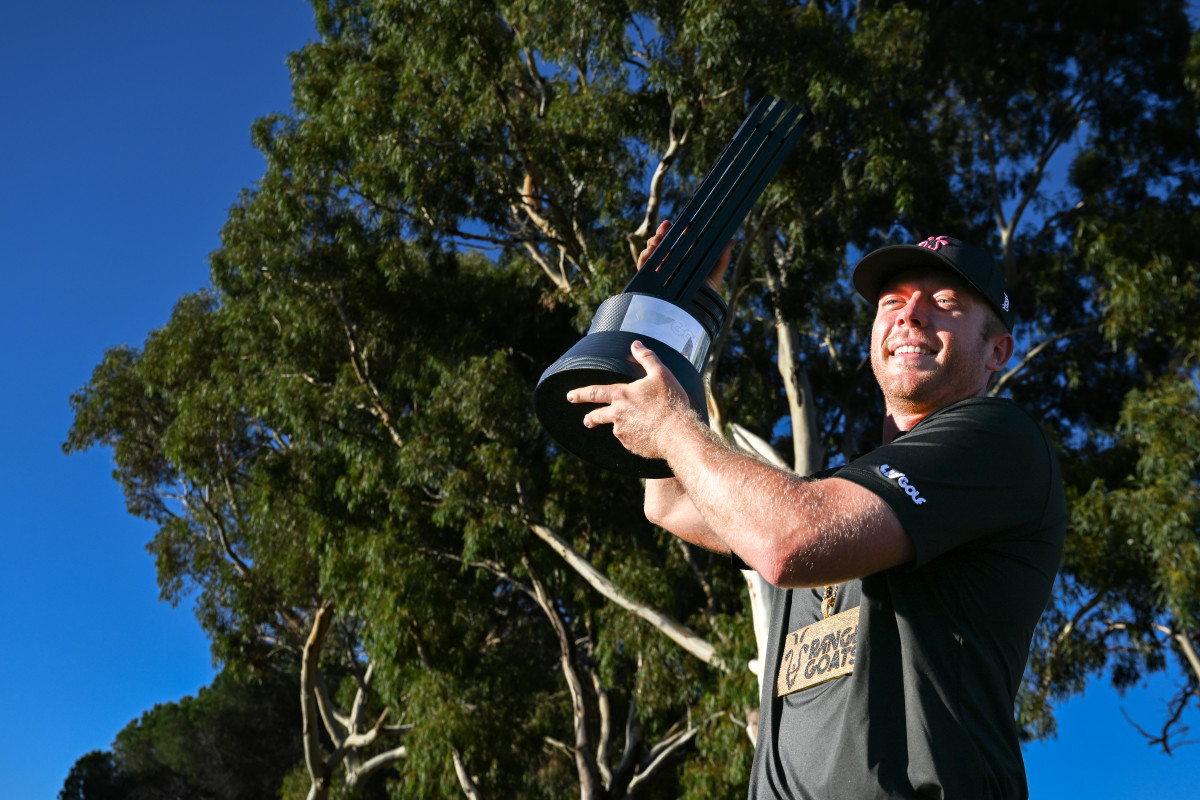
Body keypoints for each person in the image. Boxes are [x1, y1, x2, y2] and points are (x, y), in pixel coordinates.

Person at [567, 224, 1066, 799]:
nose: (911, 315)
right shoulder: (828, 496)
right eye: (892, 302)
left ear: (996, 350)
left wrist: (673, 427)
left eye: (946, 303)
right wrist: (679, 312)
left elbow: (789, 540)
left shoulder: (1001, 443)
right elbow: (672, 500)